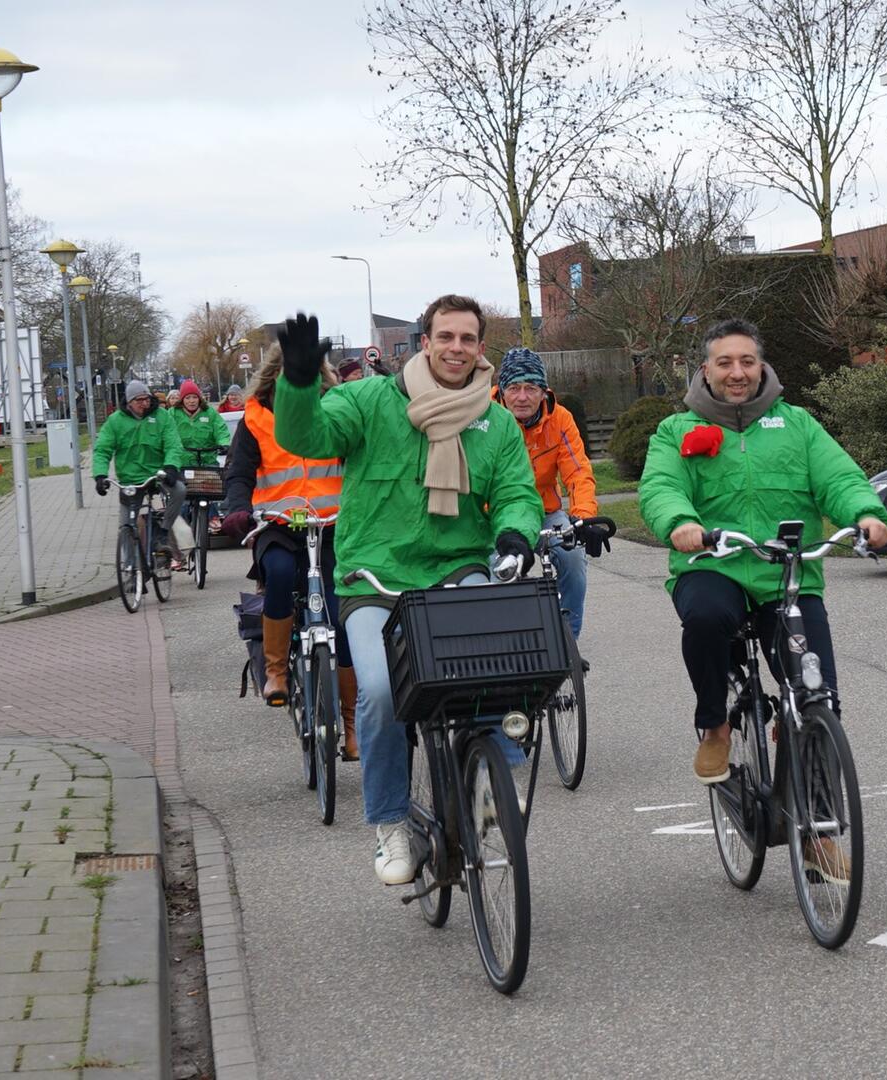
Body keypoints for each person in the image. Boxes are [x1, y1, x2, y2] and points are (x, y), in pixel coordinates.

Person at [273, 295, 542, 887]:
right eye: (445, 337)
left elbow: (519, 492)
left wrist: (517, 536)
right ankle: (392, 824)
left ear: (479, 348)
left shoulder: (494, 422)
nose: (456, 349)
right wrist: (296, 383)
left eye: (468, 339)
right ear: (425, 341)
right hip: (375, 579)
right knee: (379, 690)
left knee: (495, 664)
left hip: (456, 568)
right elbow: (309, 436)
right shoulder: (370, 401)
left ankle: (492, 776)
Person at [638, 319, 887, 876]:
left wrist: (866, 512)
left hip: (786, 573)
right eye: (724, 363)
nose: (736, 373)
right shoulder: (676, 428)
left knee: (816, 694)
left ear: (762, 366)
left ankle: (818, 829)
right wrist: (680, 523)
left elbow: (839, 478)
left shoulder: (796, 424)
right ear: (705, 369)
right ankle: (716, 725)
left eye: (746, 362)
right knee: (705, 617)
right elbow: (660, 487)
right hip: (714, 564)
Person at [220, 348, 356, 753]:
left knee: (345, 611)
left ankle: (351, 724)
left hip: (332, 526)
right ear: (274, 375)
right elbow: (239, 471)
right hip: (276, 525)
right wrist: (238, 509)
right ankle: (276, 672)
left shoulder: (335, 409)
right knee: (278, 574)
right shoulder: (255, 418)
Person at [492, 347, 602, 636]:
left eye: (531, 388)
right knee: (495, 571)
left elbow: (577, 471)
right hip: (493, 515)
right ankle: (499, 639)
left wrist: (583, 518)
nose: (522, 396)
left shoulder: (560, 419)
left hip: (545, 511)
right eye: (514, 388)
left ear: (544, 392)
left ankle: (568, 638)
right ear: (502, 391)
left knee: (573, 560)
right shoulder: (484, 418)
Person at [92, 379, 193, 570]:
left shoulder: (162, 416)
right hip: (130, 479)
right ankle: (131, 568)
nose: (144, 404)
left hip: (158, 475)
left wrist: (171, 466)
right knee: (126, 525)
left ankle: (163, 531)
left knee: (179, 490)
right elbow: (102, 449)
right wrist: (100, 476)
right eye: (139, 400)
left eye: (146, 399)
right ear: (129, 402)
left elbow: (173, 443)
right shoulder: (116, 421)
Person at [169, 379, 231, 464]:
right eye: (187, 398)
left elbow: (221, 430)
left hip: (208, 462)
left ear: (199, 398)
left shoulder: (210, 413)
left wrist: (224, 444)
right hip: (182, 463)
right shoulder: (173, 413)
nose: (191, 401)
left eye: (195, 397)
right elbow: (166, 432)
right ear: (182, 400)